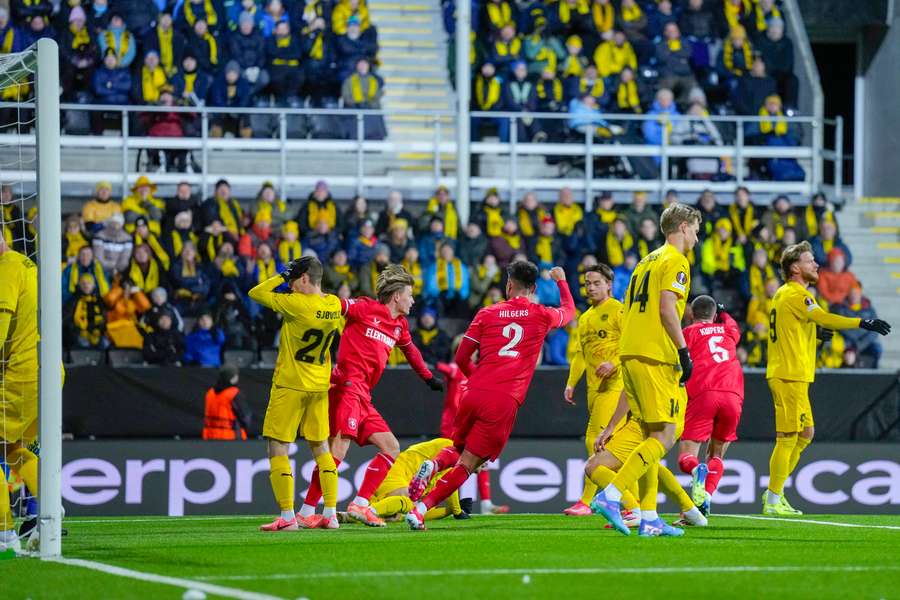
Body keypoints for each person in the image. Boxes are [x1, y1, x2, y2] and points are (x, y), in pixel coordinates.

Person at [405, 260, 575, 530]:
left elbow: (461, 357)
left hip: (473, 392)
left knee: (458, 449)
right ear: (533, 288)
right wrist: (561, 281)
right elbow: (569, 311)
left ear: (509, 285)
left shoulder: (487, 313)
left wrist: (477, 379)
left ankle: (434, 465)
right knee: (470, 463)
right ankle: (420, 510)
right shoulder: (542, 314)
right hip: (503, 399)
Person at [296, 265, 443, 527]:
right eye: (410, 295)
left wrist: (428, 378)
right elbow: (334, 304)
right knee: (338, 450)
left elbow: (411, 352)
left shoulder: (399, 326)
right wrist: (307, 294)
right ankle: (307, 511)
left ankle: (360, 504)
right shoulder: (364, 308)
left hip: (363, 395)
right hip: (347, 387)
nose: (413, 300)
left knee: (391, 447)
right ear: (396, 296)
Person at [591, 203, 701, 538]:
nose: (697, 237)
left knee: (647, 432)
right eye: (696, 229)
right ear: (683, 227)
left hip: (630, 351)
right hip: (655, 354)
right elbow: (668, 308)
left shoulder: (644, 261)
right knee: (664, 434)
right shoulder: (676, 260)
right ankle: (611, 496)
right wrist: (683, 350)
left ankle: (650, 517)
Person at [762, 241, 890, 515]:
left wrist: (813, 333)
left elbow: (791, 327)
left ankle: (775, 490)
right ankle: (773, 498)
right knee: (787, 437)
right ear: (795, 268)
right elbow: (823, 317)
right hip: (788, 375)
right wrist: (862, 322)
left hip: (794, 375)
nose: (816, 264)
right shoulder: (796, 294)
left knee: (805, 433)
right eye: (810, 261)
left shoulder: (786, 294)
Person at [247, 257, 344, 531]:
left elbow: (255, 293)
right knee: (321, 447)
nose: (289, 286)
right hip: (319, 386)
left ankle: (288, 516)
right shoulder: (334, 304)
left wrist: (280, 276)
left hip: (290, 385)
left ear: (303, 279)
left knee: (278, 446)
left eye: (292, 280)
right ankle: (331, 513)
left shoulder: (295, 303)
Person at [561, 264, 623, 516]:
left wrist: (614, 363)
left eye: (597, 283)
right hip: (593, 389)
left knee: (594, 439)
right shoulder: (585, 317)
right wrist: (571, 382)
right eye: (588, 283)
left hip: (615, 385)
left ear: (609, 284)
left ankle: (586, 501)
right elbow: (580, 354)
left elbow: (632, 344)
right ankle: (631, 504)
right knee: (614, 446)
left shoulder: (618, 310)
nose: (591, 287)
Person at [677, 296, 743, 516]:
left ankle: (696, 470)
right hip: (733, 394)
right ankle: (703, 500)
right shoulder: (728, 331)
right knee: (716, 455)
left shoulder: (687, 333)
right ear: (715, 315)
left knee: (687, 457)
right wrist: (722, 313)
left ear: (691, 314)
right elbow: (733, 324)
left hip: (703, 393)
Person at [0, 229, 39, 552]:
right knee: (12, 448)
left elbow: (0, 329)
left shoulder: (7, 268)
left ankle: (4, 533)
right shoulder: (28, 264)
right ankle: (48, 510)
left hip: (21, 373)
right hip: (45, 370)